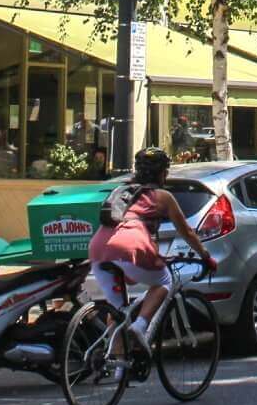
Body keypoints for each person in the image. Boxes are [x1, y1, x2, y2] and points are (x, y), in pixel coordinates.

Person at [87, 148, 215, 359]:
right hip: (129, 245)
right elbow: (187, 232)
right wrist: (206, 256)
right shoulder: (162, 197)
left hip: (98, 247)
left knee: (118, 310)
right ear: (163, 173)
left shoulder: (119, 191)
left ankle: (118, 365)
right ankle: (140, 325)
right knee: (164, 281)